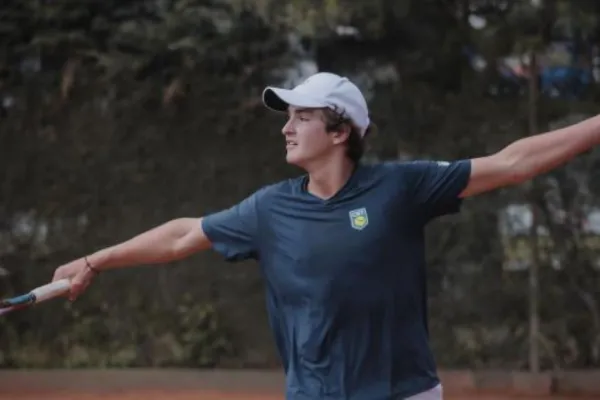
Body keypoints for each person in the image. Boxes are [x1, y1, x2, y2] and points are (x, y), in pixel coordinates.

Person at [52, 71, 600, 400]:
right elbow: (181, 236)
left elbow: (513, 162)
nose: (286, 128)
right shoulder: (269, 209)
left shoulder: (400, 188)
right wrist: (96, 260)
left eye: (301, 117)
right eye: (287, 117)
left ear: (340, 131)